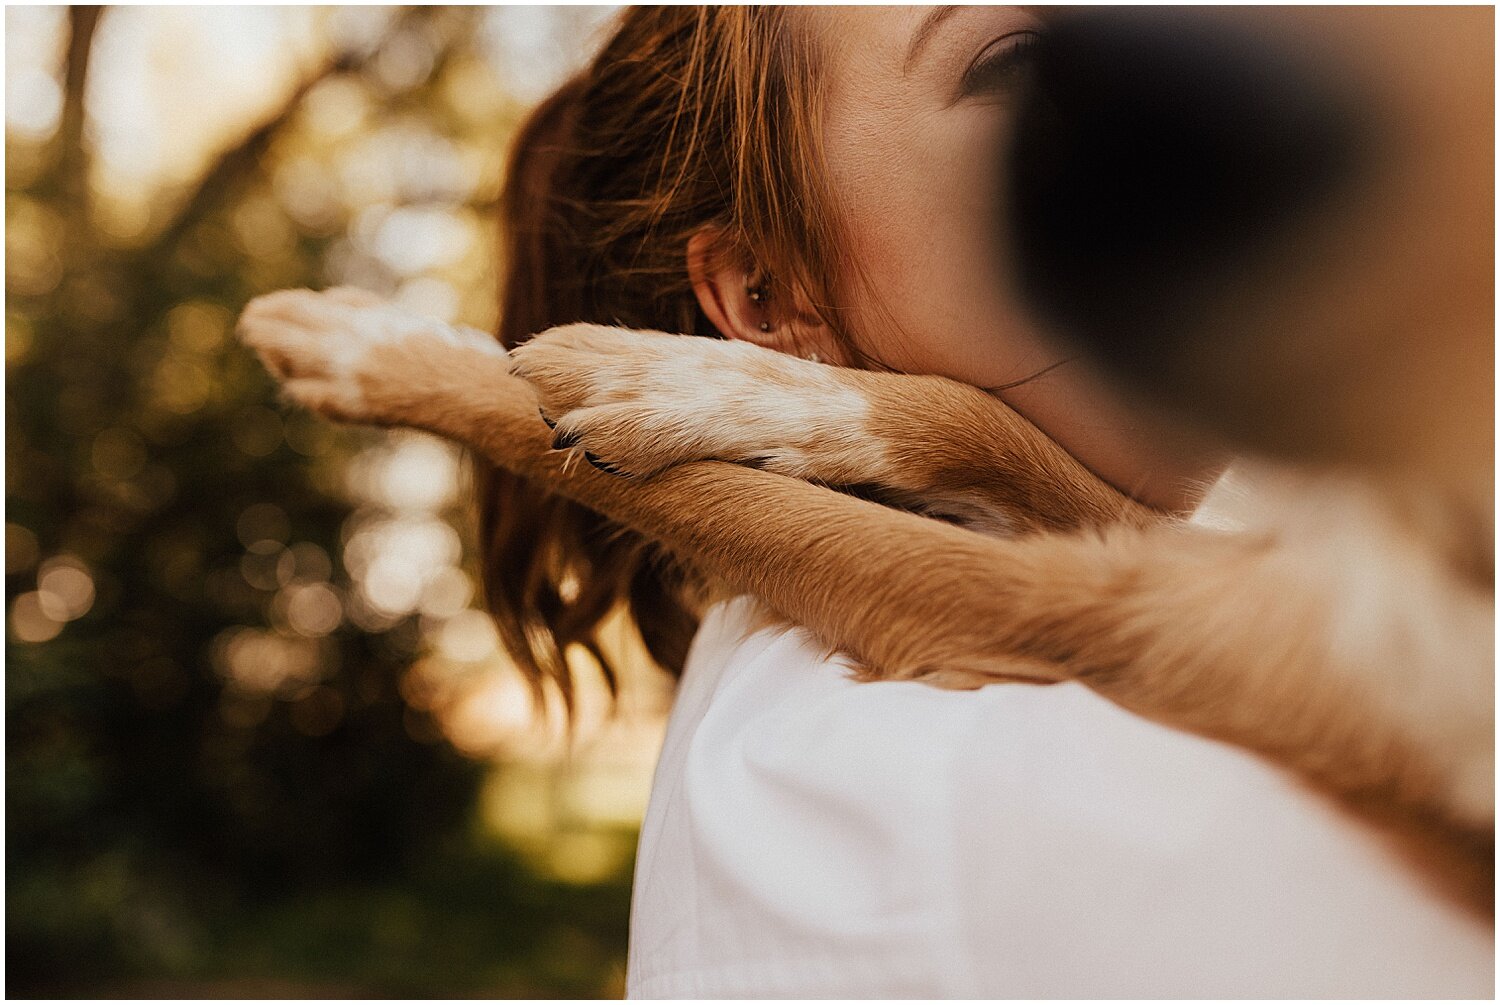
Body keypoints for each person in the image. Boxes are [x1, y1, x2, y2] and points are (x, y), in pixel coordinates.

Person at [260, 6, 1497, 997]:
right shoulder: (926, 786)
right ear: (759, 297)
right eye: (1018, 58)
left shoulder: (1243, 484)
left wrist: (922, 436)